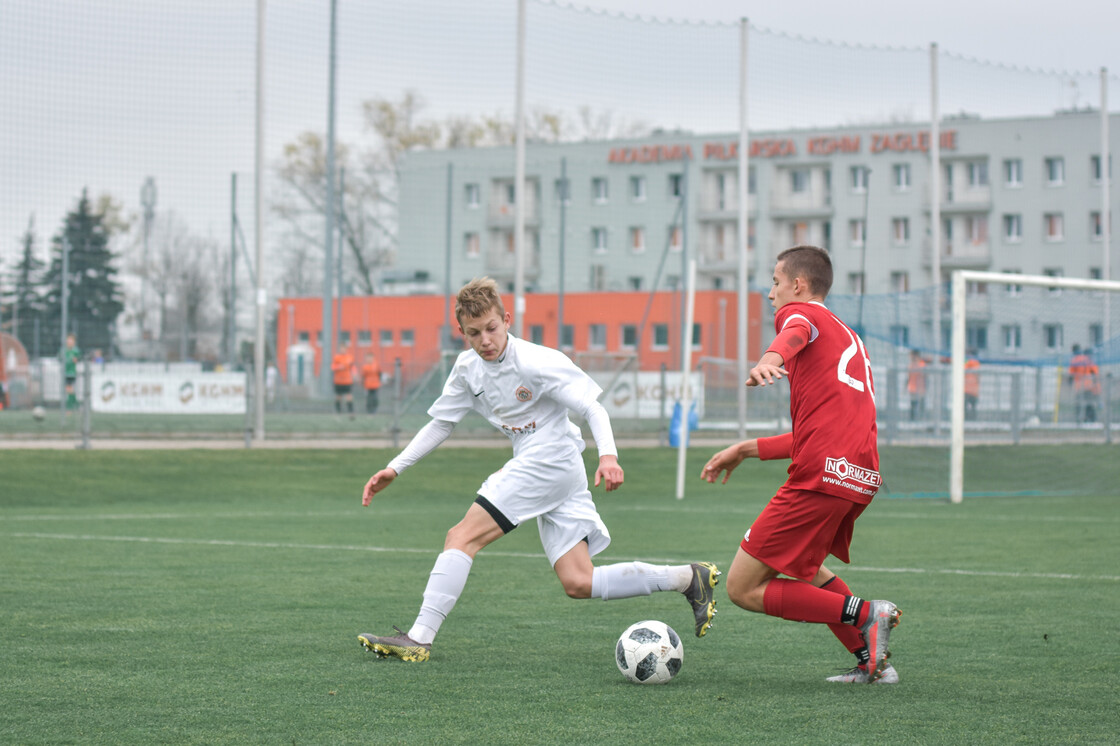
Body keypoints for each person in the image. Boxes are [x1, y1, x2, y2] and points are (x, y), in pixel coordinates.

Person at [358, 277, 719, 662]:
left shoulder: (536, 361)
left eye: (492, 328)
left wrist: (609, 456)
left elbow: (591, 408)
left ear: (507, 319)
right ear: (462, 333)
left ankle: (419, 638)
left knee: (461, 537)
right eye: (474, 333)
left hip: (551, 459)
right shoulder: (467, 370)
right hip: (553, 468)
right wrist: (394, 468)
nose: (486, 340)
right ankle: (687, 577)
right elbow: (441, 423)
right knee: (579, 581)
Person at [700, 245, 901, 684]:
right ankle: (874, 663)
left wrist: (770, 359)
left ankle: (868, 614)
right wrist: (746, 448)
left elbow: (793, 327)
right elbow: (818, 432)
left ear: (798, 284)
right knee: (805, 568)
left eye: (775, 282)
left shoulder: (802, 317)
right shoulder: (848, 336)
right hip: (859, 475)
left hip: (821, 478)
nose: (770, 292)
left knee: (742, 587)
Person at [1069, 345, 1100, 424]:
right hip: (1089, 386)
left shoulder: (1075, 360)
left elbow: (1071, 374)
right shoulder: (1090, 361)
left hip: (1080, 386)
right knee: (1088, 403)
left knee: (1079, 403)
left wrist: (1070, 383)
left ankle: (1080, 420)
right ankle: (1091, 419)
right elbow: (1095, 374)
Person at [331, 344, 356, 419]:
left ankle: (351, 413)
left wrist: (354, 374)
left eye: (344, 348)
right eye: (341, 348)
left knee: (349, 397)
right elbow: (332, 367)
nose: (342, 350)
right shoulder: (337, 357)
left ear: (346, 349)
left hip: (347, 381)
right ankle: (338, 412)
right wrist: (339, 367)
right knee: (338, 397)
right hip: (338, 381)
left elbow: (353, 367)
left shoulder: (350, 357)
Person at [63, 334, 81, 412]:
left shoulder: (75, 351)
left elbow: (79, 357)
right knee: (69, 390)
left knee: (68, 389)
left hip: (72, 373)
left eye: (71, 341)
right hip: (65, 372)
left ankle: (70, 407)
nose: (69, 342)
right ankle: (76, 405)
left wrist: (76, 359)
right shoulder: (64, 350)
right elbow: (59, 357)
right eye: (68, 340)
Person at [907, 348, 927, 422]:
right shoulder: (911, 365)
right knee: (913, 404)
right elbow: (908, 377)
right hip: (912, 388)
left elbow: (925, 376)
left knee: (921, 405)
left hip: (921, 388)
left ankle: (922, 419)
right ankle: (912, 420)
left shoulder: (922, 365)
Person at [964, 350, 981, 421]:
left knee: (970, 407)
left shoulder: (969, 363)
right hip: (969, 390)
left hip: (970, 390)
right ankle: (970, 419)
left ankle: (970, 419)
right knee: (967, 407)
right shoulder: (975, 363)